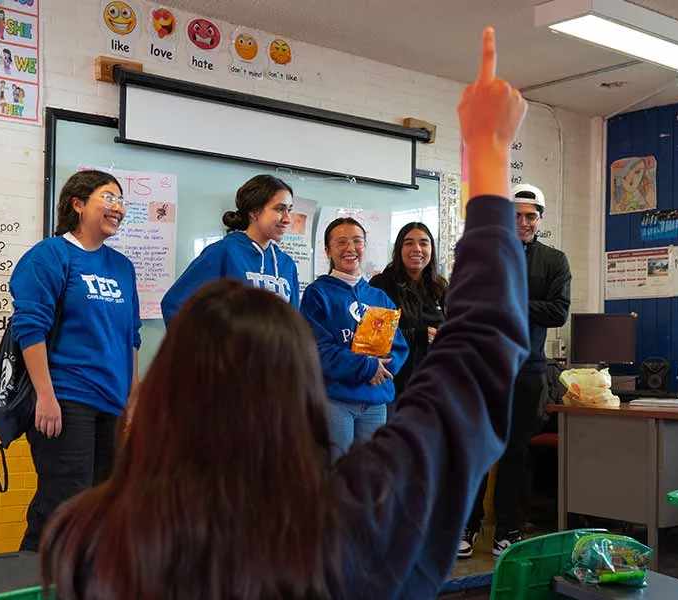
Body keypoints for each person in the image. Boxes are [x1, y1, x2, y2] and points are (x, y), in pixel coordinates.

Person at [38, 27, 530, 598]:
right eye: (278, 209)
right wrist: (489, 161)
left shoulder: (86, 537)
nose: (287, 218)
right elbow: (477, 362)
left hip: (360, 398)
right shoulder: (354, 525)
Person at [10, 170, 141, 552]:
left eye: (121, 201)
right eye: (108, 198)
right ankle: (35, 580)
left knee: (100, 505)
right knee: (63, 506)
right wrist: (45, 396)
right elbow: (29, 328)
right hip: (66, 399)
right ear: (78, 204)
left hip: (111, 402)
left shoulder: (122, 267)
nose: (117, 208)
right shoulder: (52, 255)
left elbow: (131, 334)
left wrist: (132, 392)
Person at [462, 181, 571, 558]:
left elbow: (558, 311)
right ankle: (467, 528)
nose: (523, 222)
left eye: (530, 216)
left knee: (515, 453)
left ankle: (507, 529)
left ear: (540, 219)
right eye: (515, 216)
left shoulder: (554, 261)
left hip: (527, 369)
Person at [300, 217, 409, 459]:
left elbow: (398, 347)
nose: (350, 249)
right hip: (335, 400)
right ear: (327, 250)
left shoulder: (379, 297)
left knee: (369, 476)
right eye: (341, 242)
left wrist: (380, 370)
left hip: (375, 402)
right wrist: (367, 366)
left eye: (357, 241)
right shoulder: (317, 294)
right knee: (335, 475)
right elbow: (318, 350)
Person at [161, 174, 299, 324]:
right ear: (254, 212)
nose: (287, 219)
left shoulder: (287, 264)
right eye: (280, 209)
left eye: (289, 210)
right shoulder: (224, 252)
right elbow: (174, 304)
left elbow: (293, 325)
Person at [369, 221, 447, 416]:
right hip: (394, 384)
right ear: (399, 249)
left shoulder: (440, 286)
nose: (417, 249)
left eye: (423, 243)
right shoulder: (381, 284)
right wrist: (420, 335)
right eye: (409, 243)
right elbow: (375, 338)